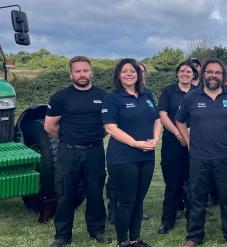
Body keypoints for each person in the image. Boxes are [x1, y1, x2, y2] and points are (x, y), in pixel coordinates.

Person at [176, 58, 227, 247]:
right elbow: (180, 120)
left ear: (223, 76)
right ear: (203, 75)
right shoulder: (192, 97)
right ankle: (194, 236)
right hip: (199, 157)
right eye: (210, 72)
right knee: (197, 198)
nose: (214, 75)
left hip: (225, 157)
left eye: (218, 72)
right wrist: (188, 142)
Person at [45, 56, 112, 247]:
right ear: (71, 74)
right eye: (77, 71)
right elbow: (50, 126)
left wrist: (94, 137)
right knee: (66, 194)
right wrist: (68, 139)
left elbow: (109, 125)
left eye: (85, 70)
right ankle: (62, 236)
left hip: (95, 151)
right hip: (68, 152)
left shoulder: (104, 96)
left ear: (91, 72)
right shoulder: (60, 97)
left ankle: (97, 230)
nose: (82, 74)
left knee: (95, 192)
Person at [101, 58, 161, 247]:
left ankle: (136, 238)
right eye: (124, 71)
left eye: (133, 71)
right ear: (118, 75)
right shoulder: (113, 98)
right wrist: (136, 143)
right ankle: (123, 241)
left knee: (139, 199)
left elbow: (157, 120)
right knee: (126, 201)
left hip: (147, 155)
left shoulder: (147, 95)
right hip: (123, 157)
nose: (129, 74)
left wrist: (155, 139)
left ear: (139, 74)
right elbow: (111, 128)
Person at [157, 61, 199, 234]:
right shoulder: (168, 91)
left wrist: (188, 133)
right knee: (172, 183)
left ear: (194, 75)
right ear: (177, 74)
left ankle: (193, 220)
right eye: (182, 70)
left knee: (192, 183)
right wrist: (178, 133)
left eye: (189, 71)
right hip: (172, 141)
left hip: (195, 143)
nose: (185, 73)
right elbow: (163, 115)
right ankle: (168, 221)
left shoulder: (199, 93)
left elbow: (202, 115)